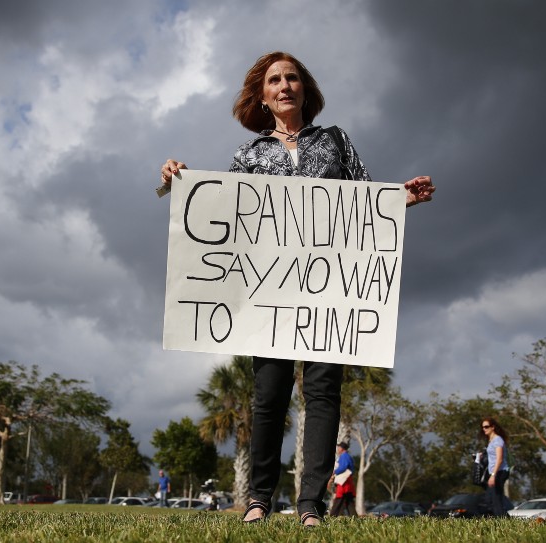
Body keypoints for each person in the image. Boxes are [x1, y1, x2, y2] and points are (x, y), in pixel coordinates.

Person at [160, 51, 434, 527]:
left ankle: (311, 505)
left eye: (292, 78)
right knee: (268, 396)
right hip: (268, 295)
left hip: (326, 295)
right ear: (262, 96)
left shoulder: (335, 140)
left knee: (324, 393)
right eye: (274, 80)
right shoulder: (249, 155)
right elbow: (221, 209)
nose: (284, 85)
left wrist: (402, 198)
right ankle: (259, 499)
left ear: (305, 89)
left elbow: (366, 203)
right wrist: (175, 183)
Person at [481, 417, 510, 517]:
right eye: (483, 427)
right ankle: (506, 519)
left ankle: (502, 521)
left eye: (486, 426)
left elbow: (500, 458)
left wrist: (493, 475)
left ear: (493, 427)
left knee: (495, 499)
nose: (484, 429)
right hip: (493, 472)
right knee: (489, 499)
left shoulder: (498, 440)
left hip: (500, 472)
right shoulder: (491, 440)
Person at [329, 441, 356, 517]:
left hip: (344, 483)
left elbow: (343, 467)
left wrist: (335, 471)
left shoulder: (344, 456)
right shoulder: (347, 456)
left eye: (339, 447)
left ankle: (332, 516)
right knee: (349, 501)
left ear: (342, 448)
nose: (338, 449)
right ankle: (354, 516)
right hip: (347, 481)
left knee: (339, 498)